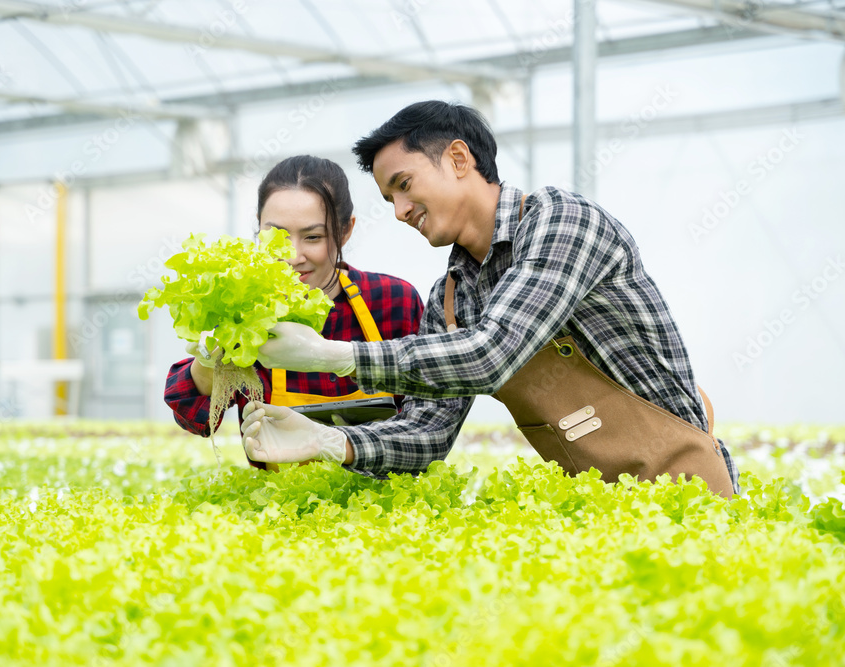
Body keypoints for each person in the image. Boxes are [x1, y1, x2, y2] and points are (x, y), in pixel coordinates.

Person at [240, 100, 740, 497]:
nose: (399, 211)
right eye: (389, 199)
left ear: (459, 159)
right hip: (599, 511)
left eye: (404, 185)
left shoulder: (563, 222)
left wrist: (332, 356)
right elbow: (427, 434)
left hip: (688, 494)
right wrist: (331, 442)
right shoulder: (451, 300)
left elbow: (492, 353)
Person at [164, 155, 424, 470]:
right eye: (277, 237)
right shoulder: (246, 309)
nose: (294, 256)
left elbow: (429, 421)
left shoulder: (392, 301)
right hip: (281, 507)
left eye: (313, 237)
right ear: (258, 229)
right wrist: (209, 362)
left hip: (382, 504)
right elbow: (195, 420)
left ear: (345, 231)